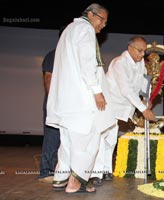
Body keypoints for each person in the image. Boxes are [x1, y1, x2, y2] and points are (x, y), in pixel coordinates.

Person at [46, 3, 115, 194]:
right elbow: (87, 62)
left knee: (67, 140)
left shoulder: (70, 29)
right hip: (82, 98)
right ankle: (76, 183)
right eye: (103, 20)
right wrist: (97, 91)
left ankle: (61, 178)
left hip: (68, 99)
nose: (103, 26)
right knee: (86, 139)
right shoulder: (85, 30)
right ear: (93, 15)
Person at [89, 36, 156, 186]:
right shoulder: (120, 63)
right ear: (130, 48)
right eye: (139, 51)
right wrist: (143, 109)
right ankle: (95, 173)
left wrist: (146, 98)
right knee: (101, 137)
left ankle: (106, 170)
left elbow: (145, 83)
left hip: (121, 106)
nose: (142, 54)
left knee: (112, 139)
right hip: (108, 103)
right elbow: (126, 89)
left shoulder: (140, 64)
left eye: (144, 51)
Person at [38, 27, 65, 184]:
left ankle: (62, 171)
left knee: (66, 141)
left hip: (68, 106)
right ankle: (45, 172)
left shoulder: (68, 56)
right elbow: (49, 78)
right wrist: (53, 103)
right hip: (55, 105)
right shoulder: (54, 55)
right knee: (52, 138)